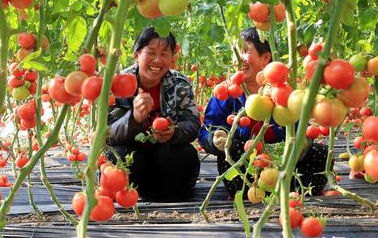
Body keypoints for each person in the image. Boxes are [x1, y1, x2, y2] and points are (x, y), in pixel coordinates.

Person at [198, 27, 329, 198]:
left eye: (244, 51)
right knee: (232, 148)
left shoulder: (283, 91)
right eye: (235, 52)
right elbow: (207, 130)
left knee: (322, 154)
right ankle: (265, 190)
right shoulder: (227, 92)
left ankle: (289, 189)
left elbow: (298, 129)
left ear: (266, 57)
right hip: (246, 164)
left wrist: (302, 143)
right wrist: (215, 139)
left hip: (282, 161)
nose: (237, 58)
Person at [106, 27, 201, 202]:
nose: (158, 60)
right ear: (136, 55)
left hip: (162, 160)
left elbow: (193, 124)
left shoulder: (179, 84)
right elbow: (106, 135)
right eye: (151, 52)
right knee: (116, 155)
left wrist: (175, 132)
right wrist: (133, 119)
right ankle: (124, 194)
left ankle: (168, 195)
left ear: (172, 58)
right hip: (131, 157)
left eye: (165, 54)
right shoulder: (117, 84)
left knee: (185, 155)